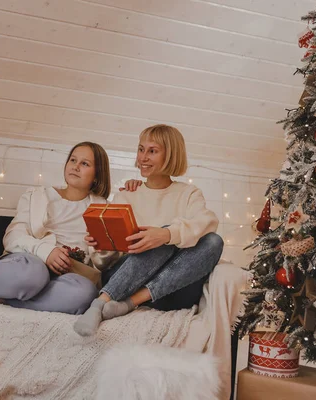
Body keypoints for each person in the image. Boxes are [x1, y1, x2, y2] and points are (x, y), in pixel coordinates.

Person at [74, 124, 224, 336]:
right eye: (140, 149)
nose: (143, 157)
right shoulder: (126, 195)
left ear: (171, 155)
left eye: (152, 151)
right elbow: (103, 262)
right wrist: (103, 245)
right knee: (158, 239)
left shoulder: (189, 193)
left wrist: (167, 234)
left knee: (212, 241)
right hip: (123, 284)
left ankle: (128, 304)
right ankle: (99, 305)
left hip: (173, 290)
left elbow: (208, 222)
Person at [0, 142, 115, 315]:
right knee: (34, 273)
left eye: (85, 163)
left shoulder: (104, 209)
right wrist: (46, 251)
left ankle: (5, 299)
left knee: (85, 293)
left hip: (68, 275)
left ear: (97, 174)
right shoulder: (37, 196)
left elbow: (105, 262)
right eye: (73, 160)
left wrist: (102, 250)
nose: (75, 166)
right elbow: (13, 237)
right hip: (30, 261)